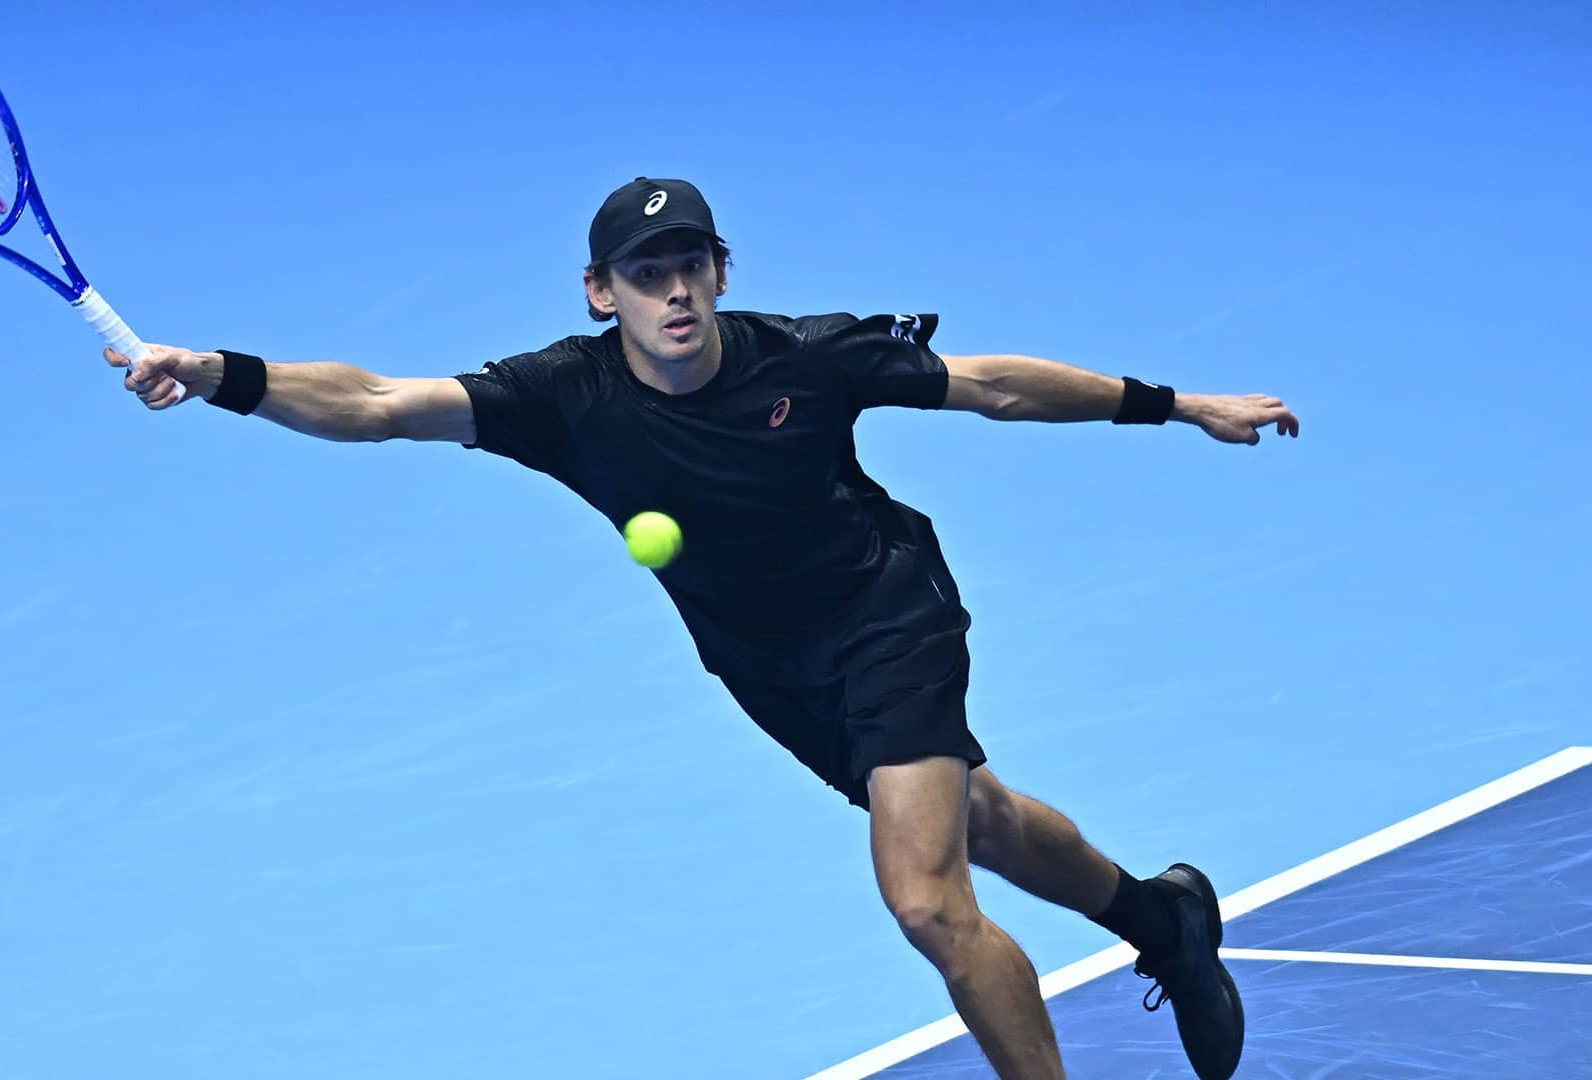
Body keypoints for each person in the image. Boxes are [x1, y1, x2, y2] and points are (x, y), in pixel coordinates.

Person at [107, 177, 1298, 1080]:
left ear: (721, 274)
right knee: (973, 820)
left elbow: (990, 384)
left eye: (689, 266)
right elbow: (373, 405)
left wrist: (1180, 407)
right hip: (769, 665)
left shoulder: (810, 358)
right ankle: (1163, 917)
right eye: (643, 272)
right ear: (599, 290)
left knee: (926, 898)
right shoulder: (559, 397)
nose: (671, 291)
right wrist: (218, 372)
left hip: (888, 613)